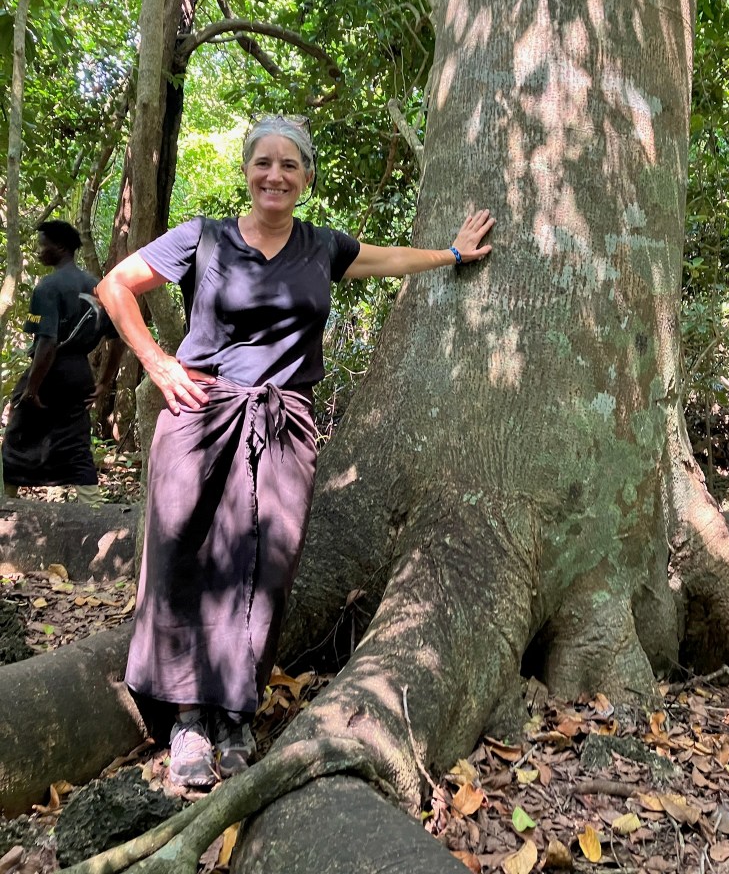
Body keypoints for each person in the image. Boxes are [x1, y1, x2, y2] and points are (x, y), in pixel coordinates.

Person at [96, 114, 495, 789]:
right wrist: (157, 362)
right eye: (263, 163)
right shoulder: (205, 237)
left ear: (306, 178)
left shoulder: (320, 247)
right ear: (247, 173)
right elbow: (115, 286)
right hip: (200, 416)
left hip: (283, 425)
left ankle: (234, 712)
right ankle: (188, 720)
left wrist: (450, 256)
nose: (274, 175)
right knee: (184, 560)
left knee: (263, 568)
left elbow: (384, 258)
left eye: (289, 165)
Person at [2, 221, 123, 505]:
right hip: (79, 375)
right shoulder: (97, 285)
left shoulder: (47, 287)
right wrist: (104, 380)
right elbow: (117, 338)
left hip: (49, 374)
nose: (38, 251)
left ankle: (5, 501)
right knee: (75, 439)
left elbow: (46, 343)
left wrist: (31, 388)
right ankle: (92, 504)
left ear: (60, 247)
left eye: (42, 244)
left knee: (18, 433)